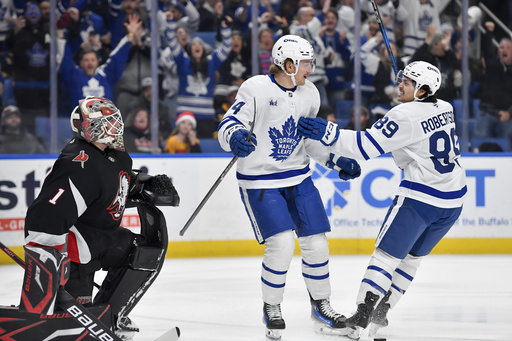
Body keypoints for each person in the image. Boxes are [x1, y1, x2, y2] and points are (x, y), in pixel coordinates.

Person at [297, 61, 467, 339]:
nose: (400, 84)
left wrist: (327, 133)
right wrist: (408, 96)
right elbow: (409, 142)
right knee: (412, 260)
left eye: (407, 83)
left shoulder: (404, 114)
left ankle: (361, 317)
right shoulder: (446, 107)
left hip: (421, 198)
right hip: (453, 201)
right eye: (402, 79)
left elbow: (363, 148)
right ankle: (381, 312)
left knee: (386, 257)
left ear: (422, 91)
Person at [217, 35, 361, 340]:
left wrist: (336, 161)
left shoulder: (310, 93)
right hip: (260, 180)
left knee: (317, 243)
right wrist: (235, 137)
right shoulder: (255, 88)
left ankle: (321, 306)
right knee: (281, 244)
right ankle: (272, 306)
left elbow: (308, 141)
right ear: (289, 64)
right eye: (307, 62)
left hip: (298, 177)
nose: (311, 67)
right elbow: (228, 123)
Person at [22, 96, 180, 340]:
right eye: (107, 125)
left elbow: (114, 182)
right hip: (76, 252)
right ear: (92, 130)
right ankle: (76, 319)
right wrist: (50, 257)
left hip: (100, 237)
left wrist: (144, 185)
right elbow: (47, 214)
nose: (114, 130)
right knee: (71, 329)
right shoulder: (77, 163)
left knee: (144, 251)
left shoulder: (115, 153)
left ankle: (111, 316)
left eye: (114, 123)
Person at [472, 21, 512, 147]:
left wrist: (509, 113)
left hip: (506, 117)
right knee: (480, 146)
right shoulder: (493, 65)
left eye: (508, 48)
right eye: (501, 47)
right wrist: (489, 32)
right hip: (487, 113)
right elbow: (488, 50)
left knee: (507, 148)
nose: (504, 50)